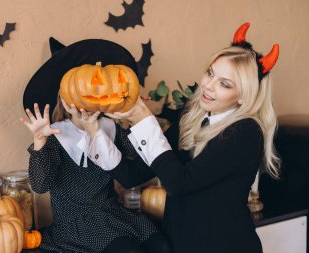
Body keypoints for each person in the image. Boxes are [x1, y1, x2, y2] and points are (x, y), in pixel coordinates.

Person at [96, 22, 281, 253]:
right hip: (182, 242)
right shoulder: (191, 117)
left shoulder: (245, 132)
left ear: (244, 96)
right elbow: (133, 175)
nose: (208, 86)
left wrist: (145, 121)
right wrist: (94, 129)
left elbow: (178, 182)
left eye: (224, 84)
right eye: (210, 73)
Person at [21, 38, 172, 253]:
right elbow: (40, 185)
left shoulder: (108, 128)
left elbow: (144, 155)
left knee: (162, 245)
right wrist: (39, 141)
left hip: (112, 212)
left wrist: (136, 118)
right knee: (128, 250)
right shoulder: (55, 135)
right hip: (76, 223)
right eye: (84, 88)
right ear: (64, 97)